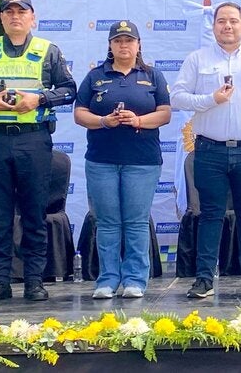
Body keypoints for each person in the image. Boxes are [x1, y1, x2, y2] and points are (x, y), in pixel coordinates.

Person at [0, 0, 77, 302]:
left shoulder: (48, 51)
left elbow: (69, 90)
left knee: (34, 213)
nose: (15, 16)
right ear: (1, 18)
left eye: (21, 12)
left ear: (32, 18)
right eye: (8, 12)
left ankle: (34, 280)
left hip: (33, 139)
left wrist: (40, 99)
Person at [171, 2, 241, 299]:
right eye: (222, 21)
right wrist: (210, 99)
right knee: (210, 214)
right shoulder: (197, 59)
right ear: (214, 26)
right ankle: (204, 279)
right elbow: (177, 98)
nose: (227, 26)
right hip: (209, 150)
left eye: (233, 21)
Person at [74, 21, 171, 299]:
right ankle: (107, 279)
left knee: (136, 222)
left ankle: (135, 280)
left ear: (138, 45)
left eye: (129, 40)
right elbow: (79, 113)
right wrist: (104, 121)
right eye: (118, 41)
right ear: (110, 45)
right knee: (107, 222)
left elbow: (165, 113)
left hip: (142, 161)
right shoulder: (95, 76)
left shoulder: (152, 76)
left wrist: (138, 120)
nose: (124, 45)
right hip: (101, 161)